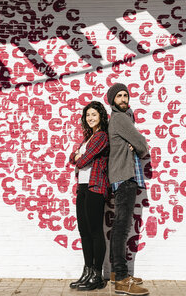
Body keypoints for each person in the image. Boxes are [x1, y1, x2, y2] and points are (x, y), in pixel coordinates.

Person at [107, 83, 150, 296]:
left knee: (120, 226)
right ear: (112, 100)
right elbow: (142, 143)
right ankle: (122, 279)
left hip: (122, 178)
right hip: (124, 178)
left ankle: (117, 272)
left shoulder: (121, 119)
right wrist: (137, 144)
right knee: (122, 227)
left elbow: (136, 144)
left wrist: (133, 144)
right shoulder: (120, 118)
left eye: (126, 95)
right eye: (119, 96)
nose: (123, 99)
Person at [68, 101, 110, 291]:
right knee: (84, 232)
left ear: (101, 116)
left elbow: (81, 159)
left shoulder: (101, 137)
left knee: (95, 232)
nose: (90, 118)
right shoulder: (87, 138)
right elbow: (71, 158)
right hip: (83, 187)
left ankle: (97, 275)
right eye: (87, 115)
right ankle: (87, 272)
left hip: (95, 187)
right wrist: (76, 156)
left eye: (94, 114)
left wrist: (78, 156)